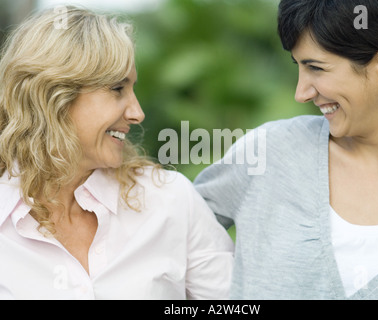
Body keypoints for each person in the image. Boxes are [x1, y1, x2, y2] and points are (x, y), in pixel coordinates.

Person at [194, 0, 378, 299]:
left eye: (316, 67)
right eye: (299, 67)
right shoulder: (271, 152)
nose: (301, 93)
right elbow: (162, 231)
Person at [0, 6, 234, 300]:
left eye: (132, 89)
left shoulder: (171, 200)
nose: (137, 113)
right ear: (53, 97)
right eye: (117, 89)